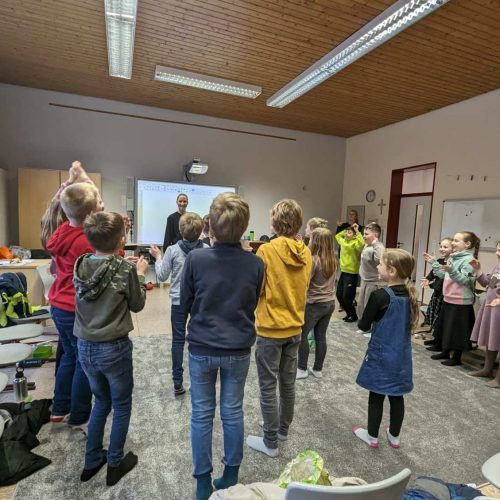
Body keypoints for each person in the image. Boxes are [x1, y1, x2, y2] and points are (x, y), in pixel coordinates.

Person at [180, 193, 264, 500]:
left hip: (202, 347)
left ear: (210, 227)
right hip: (238, 348)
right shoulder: (256, 263)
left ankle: (203, 481)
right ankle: (230, 475)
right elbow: (252, 301)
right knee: (232, 412)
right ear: (244, 227)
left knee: (202, 414)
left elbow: (185, 302)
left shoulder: (195, 259)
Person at [73, 212, 148, 485]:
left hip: (85, 347)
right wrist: (140, 274)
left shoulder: (81, 264)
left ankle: (92, 460)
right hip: (113, 348)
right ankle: (115, 462)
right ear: (122, 239)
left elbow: (102, 273)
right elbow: (137, 304)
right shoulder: (125, 269)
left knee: (101, 401)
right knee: (122, 404)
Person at [246, 199, 312, 458]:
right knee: (287, 383)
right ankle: (282, 430)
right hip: (295, 328)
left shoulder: (266, 250)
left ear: (276, 222)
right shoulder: (306, 252)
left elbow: (258, 288)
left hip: (270, 329)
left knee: (267, 386)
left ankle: (270, 441)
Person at [46, 182, 101, 426]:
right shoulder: (85, 241)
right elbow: (100, 264)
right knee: (83, 361)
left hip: (58, 306)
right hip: (75, 308)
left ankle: (59, 406)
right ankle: (79, 413)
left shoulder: (60, 232)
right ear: (91, 213)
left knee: (69, 355)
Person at [353, 249, 419, 449]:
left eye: (380, 264)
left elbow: (363, 324)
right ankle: (394, 436)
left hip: (381, 355)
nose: (377, 266)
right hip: (401, 356)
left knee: (376, 394)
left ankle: (372, 436)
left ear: (391, 271)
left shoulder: (379, 296)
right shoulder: (410, 295)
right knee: (397, 395)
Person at [149, 212, 208, 396]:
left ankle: (177, 383)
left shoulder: (173, 250)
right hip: (199, 301)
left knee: (178, 340)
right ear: (200, 231)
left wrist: (158, 257)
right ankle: (200, 379)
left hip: (178, 300)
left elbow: (161, 276)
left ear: (180, 231)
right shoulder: (206, 249)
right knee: (199, 340)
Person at [424, 231, 480, 366]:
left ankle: (456, 357)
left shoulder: (469, 260)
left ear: (467, 244)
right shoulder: (454, 257)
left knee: (458, 330)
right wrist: (434, 263)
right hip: (449, 298)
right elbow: (443, 275)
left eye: (456, 241)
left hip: (461, 301)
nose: (453, 243)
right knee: (447, 327)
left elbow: (465, 280)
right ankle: (445, 351)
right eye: (453, 240)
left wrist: (451, 270)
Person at [296, 227, 337, 379]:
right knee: (320, 336)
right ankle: (317, 369)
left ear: (316, 242)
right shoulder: (333, 259)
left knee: (302, 335)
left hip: (314, 304)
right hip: (329, 303)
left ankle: (302, 368)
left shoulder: (313, 260)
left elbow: (305, 281)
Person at [468, 241, 500, 387]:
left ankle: (499, 379)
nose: (497, 253)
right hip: (492, 310)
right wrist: (478, 269)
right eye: (497, 250)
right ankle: (487, 369)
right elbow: (488, 283)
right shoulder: (498, 266)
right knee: (492, 339)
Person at [421, 238, 453, 345]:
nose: (442, 249)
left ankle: (440, 340)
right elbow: (432, 273)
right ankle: (436, 338)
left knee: (440, 317)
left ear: (453, 249)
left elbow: (445, 277)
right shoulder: (439, 261)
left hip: (445, 294)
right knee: (435, 316)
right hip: (437, 293)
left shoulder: (452, 263)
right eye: (441, 246)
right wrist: (427, 279)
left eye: (445, 247)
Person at [356, 223, 385, 335]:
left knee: (370, 307)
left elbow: (379, 261)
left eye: (366, 234)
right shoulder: (367, 245)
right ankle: (365, 326)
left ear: (375, 235)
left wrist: (375, 244)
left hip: (374, 283)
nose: (364, 236)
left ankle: (371, 328)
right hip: (365, 280)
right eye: (364, 233)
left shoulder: (379, 247)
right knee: (361, 305)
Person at [335, 223, 364, 322]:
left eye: (350, 233)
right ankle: (348, 314)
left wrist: (357, 231)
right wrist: (347, 230)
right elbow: (337, 236)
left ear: (354, 235)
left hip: (352, 274)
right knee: (339, 295)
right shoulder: (343, 241)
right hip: (343, 272)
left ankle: (353, 315)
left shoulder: (355, 243)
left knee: (347, 297)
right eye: (346, 232)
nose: (347, 234)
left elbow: (362, 244)